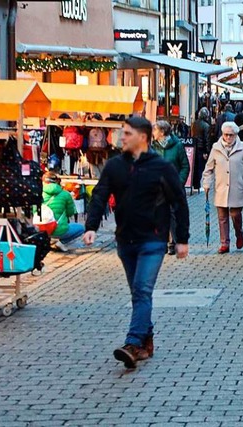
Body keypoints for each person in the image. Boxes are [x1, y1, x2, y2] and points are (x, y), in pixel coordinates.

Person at [83, 117, 190, 369]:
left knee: (142, 290)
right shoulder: (114, 166)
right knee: (137, 293)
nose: (122, 138)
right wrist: (91, 226)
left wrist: (182, 239)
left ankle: (133, 343)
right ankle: (146, 338)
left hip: (153, 240)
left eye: (127, 134)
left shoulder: (161, 167)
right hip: (125, 240)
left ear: (142, 137)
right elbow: (100, 195)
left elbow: (179, 202)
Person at [202, 121, 243, 254]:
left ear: (235, 135)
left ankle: (239, 233)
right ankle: (225, 243)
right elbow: (209, 168)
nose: (228, 138)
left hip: (237, 187)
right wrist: (206, 183)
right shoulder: (216, 148)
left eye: (231, 135)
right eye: (225, 135)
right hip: (221, 187)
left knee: (235, 214)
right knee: (222, 216)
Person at [151, 120, 191, 255]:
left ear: (162, 132)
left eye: (155, 130)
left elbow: (185, 166)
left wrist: (179, 182)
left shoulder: (178, 146)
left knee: (175, 215)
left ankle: (175, 242)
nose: (153, 133)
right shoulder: (153, 146)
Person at [41, 172, 84, 252]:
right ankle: (60, 242)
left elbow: (34, 212)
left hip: (41, 229)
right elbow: (70, 213)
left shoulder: (39, 194)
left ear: (43, 182)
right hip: (59, 229)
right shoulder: (65, 194)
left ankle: (47, 241)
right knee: (81, 228)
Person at [192, 107, 213, 191]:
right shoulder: (206, 126)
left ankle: (194, 185)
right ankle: (199, 185)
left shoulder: (194, 124)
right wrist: (207, 151)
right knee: (201, 167)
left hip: (194, 146)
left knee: (195, 166)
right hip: (201, 148)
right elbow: (207, 139)